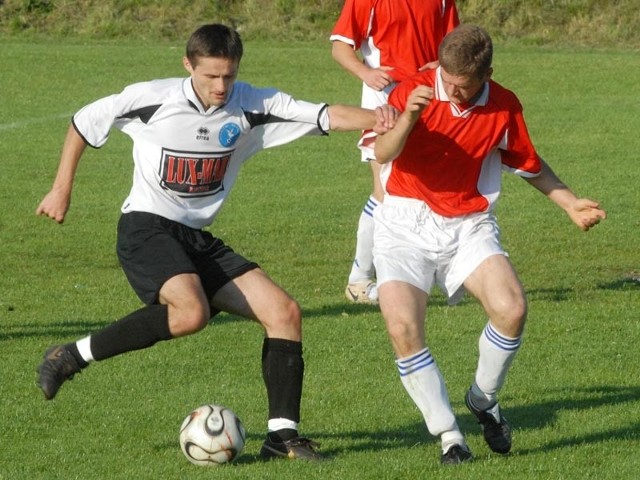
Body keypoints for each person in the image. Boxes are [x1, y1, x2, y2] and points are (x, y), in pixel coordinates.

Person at [35, 23, 397, 462]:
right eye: (210, 76)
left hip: (196, 238)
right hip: (146, 227)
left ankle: (282, 437)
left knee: (284, 312)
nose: (220, 86)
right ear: (188, 65)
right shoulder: (152, 98)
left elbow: (327, 115)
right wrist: (61, 189)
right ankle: (70, 356)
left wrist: (385, 118)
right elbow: (82, 122)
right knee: (191, 313)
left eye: (228, 75)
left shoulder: (253, 104)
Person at [372, 24, 606, 465]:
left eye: (466, 87)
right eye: (449, 82)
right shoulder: (412, 92)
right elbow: (382, 154)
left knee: (512, 308)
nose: (455, 93)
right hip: (403, 221)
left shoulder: (503, 105)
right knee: (403, 327)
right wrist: (408, 116)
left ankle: (483, 398)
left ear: (488, 74)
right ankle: (449, 437)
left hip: (468, 223)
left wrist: (569, 202)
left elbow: (528, 163)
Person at [330, 0, 459, 304]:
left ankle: (431, 272)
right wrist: (366, 73)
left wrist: (442, 64)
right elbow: (340, 46)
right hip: (385, 99)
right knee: (386, 190)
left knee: (430, 185)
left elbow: (455, 43)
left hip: (431, 97)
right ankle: (359, 280)